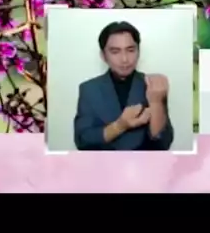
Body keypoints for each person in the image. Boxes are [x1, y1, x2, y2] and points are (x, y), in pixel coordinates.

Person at [73, 20, 174, 151]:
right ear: (103, 56)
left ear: (138, 51)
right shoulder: (89, 89)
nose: (125, 59)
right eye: (115, 52)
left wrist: (156, 102)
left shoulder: (153, 85)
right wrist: (120, 125)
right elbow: (82, 141)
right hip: (102, 166)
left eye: (131, 50)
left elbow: (163, 144)